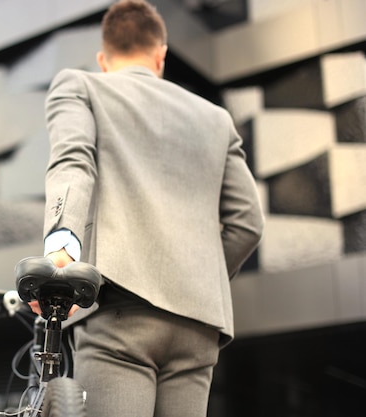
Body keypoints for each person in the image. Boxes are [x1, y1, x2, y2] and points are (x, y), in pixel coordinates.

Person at [35, 1, 265, 416]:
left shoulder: (82, 86)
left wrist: (60, 258)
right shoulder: (216, 118)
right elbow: (247, 223)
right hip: (197, 324)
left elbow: (73, 164)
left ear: (103, 59)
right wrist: (197, 276)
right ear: (161, 55)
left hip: (121, 311)